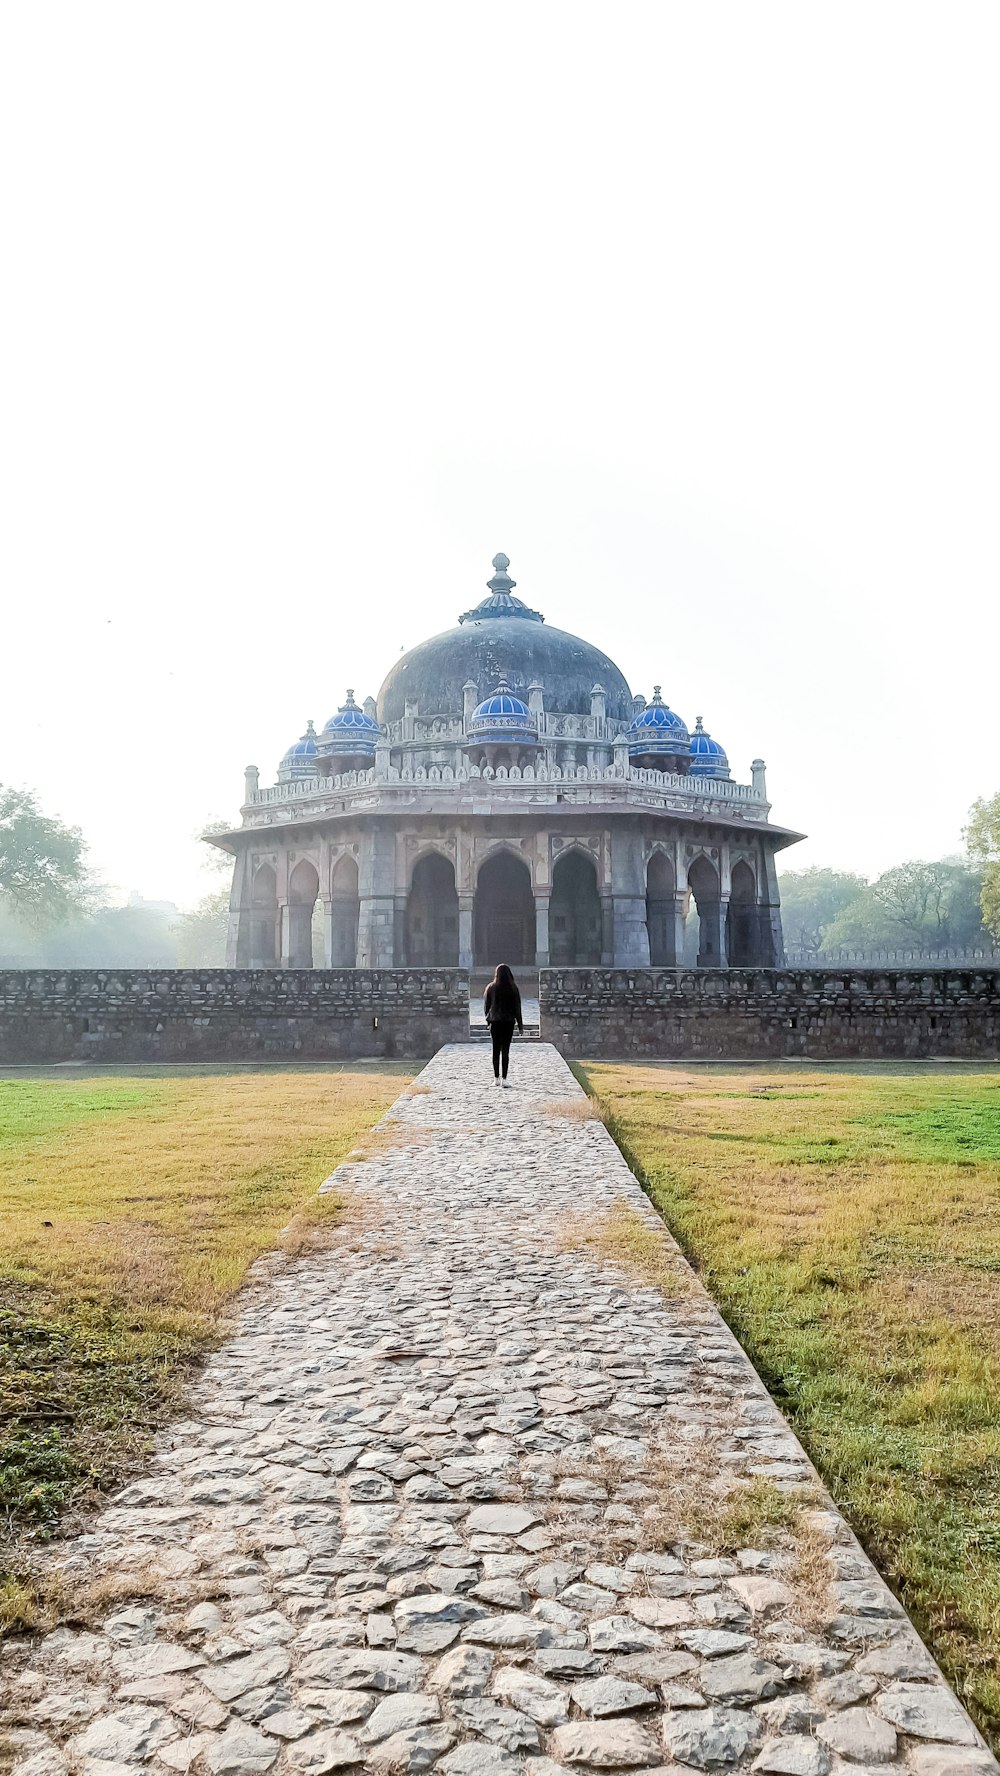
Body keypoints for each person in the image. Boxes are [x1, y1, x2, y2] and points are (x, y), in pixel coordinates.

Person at [484, 963, 523, 1087]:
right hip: (508, 1022)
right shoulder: (513, 988)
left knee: (495, 1050)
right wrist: (520, 1025)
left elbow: (487, 1006)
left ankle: (496, 1078)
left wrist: (488, 1020)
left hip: (495, 1022)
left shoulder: (490, 988)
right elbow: (517, 1008)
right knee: (505, 1051)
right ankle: (504, 1079)